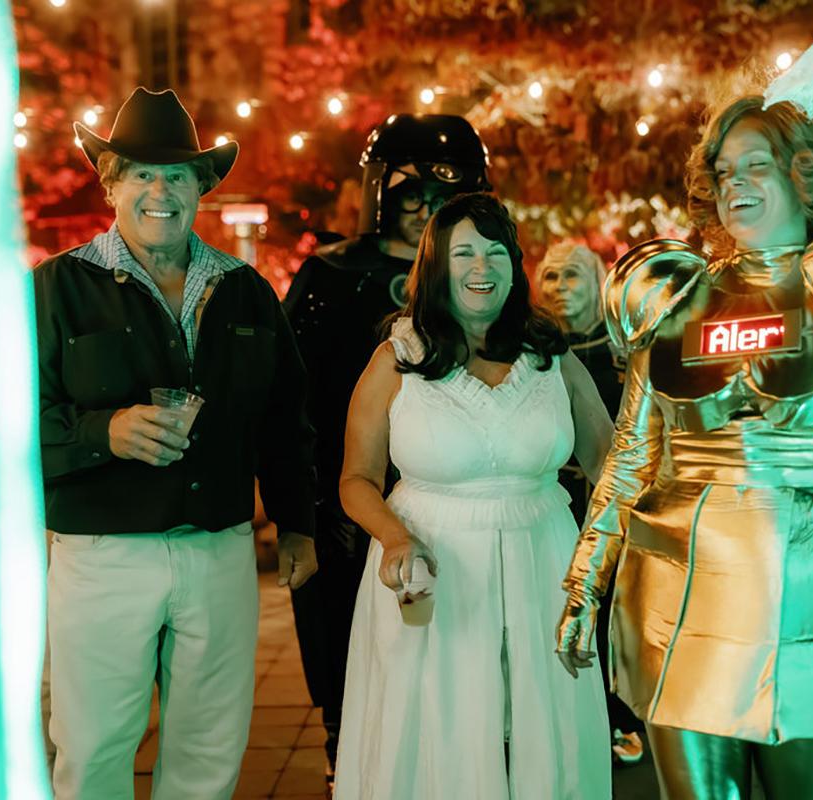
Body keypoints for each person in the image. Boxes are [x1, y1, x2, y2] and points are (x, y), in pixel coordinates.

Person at [555, 95, 813, 799]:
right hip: (678, 596)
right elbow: (630, 459)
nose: (733, 183)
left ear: (806, 177)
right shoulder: (674, 299)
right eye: (723, 169)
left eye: (757, 166)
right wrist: (585, 582)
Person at [35, 87, 318, 799]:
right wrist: (106, 432)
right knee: (95, 743)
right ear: (111, 184)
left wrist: (298, 522)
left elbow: (287, 416)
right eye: (141, 174)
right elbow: (13, 425)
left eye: (177, 176)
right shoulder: (53, 290)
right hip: (103, 555)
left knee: (209, 749)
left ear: (202, 188)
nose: (160, 190)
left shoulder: (246, 291)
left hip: (220, 549)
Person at [335, 193, 614, 799]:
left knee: (551, 725)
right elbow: (356, 478)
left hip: (545, 560)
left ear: (515, 266)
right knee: (434, 726)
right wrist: (395, 537)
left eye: (495, 252)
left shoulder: (550, 357)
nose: (480, 267)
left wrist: (602, 562)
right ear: (436, 266)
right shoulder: (397, 359)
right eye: (463, 252)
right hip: (434, 569)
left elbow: (611, 465)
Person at [282, 113, 491, 788]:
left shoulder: (478, 278)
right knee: (344, 631)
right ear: (383, 196)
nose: (424, 215)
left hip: (452, 489)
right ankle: (348, 739)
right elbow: (292, 394)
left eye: (440, 203)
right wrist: (302, 504)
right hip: (346, 489)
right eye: (411, 198)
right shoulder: (331, 275)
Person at [535, 242, 644, 766]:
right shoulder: (533, 349)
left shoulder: (622, 349)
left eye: (572, 276)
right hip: (554, 500)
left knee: (616, 609)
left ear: (598, 281)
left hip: (610, 500)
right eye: (551, 276)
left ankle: (620, 715)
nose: (560, 287)